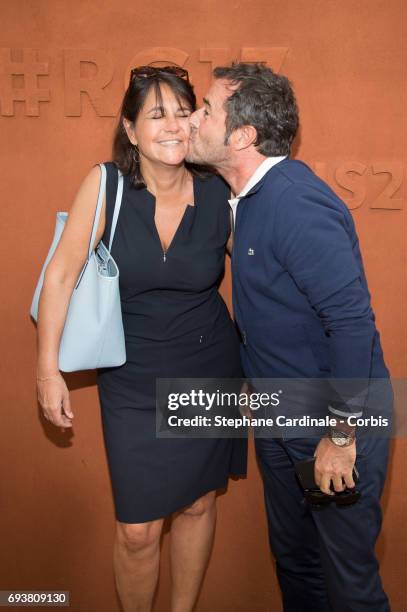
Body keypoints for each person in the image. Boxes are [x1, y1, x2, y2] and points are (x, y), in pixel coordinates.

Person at [36, 65, 247, 612]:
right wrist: (47, 371)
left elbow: (260, 268)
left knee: (200, 504)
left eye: (183, 112)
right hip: (130, 379)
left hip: (208, 370)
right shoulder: (105, 185)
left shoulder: (220, 191)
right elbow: (60, 275)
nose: (174, 125)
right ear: (131, 130)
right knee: (137, 531)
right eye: (157, 114)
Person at [186, 62, 393, 611]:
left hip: (334, 424)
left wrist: (341, 437)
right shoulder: (248, 199)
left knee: (348, 582)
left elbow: (351, 324)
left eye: (206, 109)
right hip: (284, 420)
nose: (194, 118)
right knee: (297, 562)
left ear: (243, 135)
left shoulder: (296, 203)